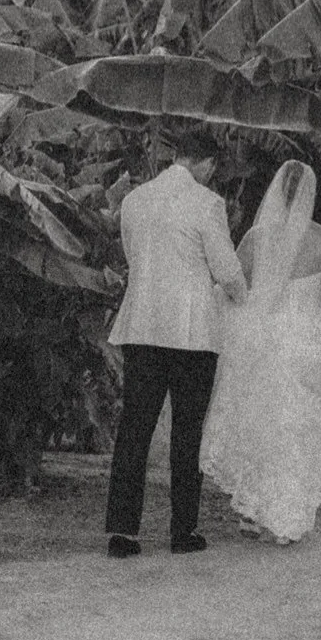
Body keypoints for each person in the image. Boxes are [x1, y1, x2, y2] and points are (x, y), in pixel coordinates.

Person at [200, 158, 321, 544]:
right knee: (301, 426)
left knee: (263, 420)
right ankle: (288, 512)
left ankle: (253, 511)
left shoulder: (257, 237)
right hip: (309, 337)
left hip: (265, 337)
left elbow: (235, 285)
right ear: (310, 193)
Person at [104, 151, 249, 558]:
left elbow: (134, 257)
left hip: (143, 326)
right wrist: (242, 297)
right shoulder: (207, 203)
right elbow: (225, 267)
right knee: (187, 432)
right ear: (204, 163)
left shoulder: (135, 200)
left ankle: (122, 532)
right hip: (192, 333)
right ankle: (182, 531)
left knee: (135, 427)